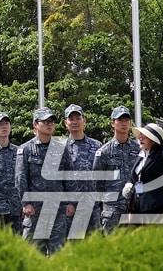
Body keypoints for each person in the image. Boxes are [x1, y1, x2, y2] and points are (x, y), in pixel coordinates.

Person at [16, 107, 64, 254]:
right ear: (36, 124)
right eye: (45, 121)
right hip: (35, 211)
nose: (49, 124)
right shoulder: (25, 149)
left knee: (59, 255)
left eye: (52, 121)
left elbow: (67, 177)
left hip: (57, 210)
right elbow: (20, 177)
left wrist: (69, 203)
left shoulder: (61, 148)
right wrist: (26, 203)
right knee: (33, 254)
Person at [58, 104, 101, 243]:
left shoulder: (97, 146)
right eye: (71, 119)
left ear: (84, 121)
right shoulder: (58, 147)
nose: (75, 121)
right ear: (66, 123)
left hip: (92, 207)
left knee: (94, 248)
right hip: (70, 208)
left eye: (78, 118)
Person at [93, 106, 139, 233]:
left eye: (126, 120)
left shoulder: (138, 149)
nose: (124, 123)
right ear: (113, 123)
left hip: (134, 208)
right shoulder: (104, 152)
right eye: (120, 120)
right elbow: (97, 182)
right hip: (112, 209)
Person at [124, 120, 163, 214]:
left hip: (153, 206)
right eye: (140, 134)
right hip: (136, 205)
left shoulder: (160, 156)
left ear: (153, 140)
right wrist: (129, 184)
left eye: (144, 136)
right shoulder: (141, 155)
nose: (140, 137)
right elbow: (135, 176)